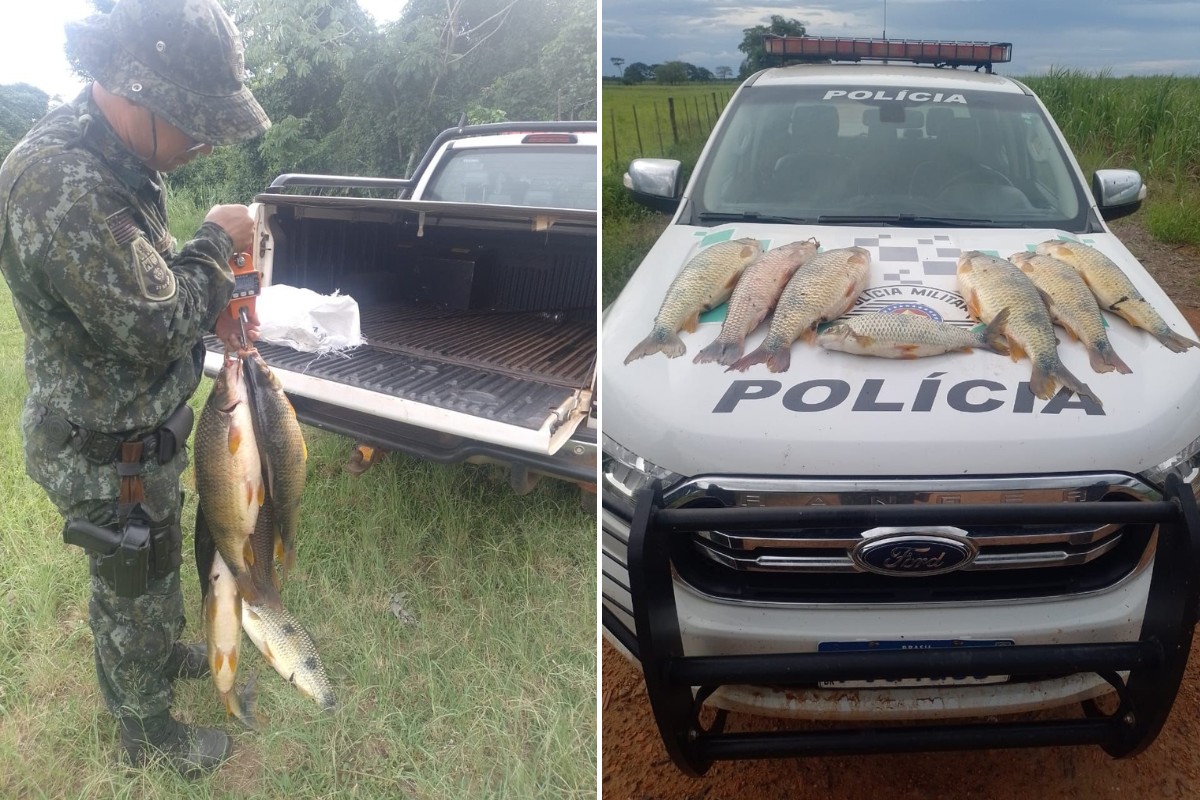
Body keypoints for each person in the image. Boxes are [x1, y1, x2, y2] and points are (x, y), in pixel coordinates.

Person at [0, 0, 270, 777]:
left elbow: (143, 291)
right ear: (141, 92)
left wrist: (206, 307)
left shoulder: (118, 157)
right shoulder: (60, 183)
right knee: (130, 577)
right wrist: (216, 241)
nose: (208, 140)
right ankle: (146, 733)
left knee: (149, 565)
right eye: (198, 121)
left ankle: (154, 653)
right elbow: (151, 323)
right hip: (99, 447)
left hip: (134, 433)